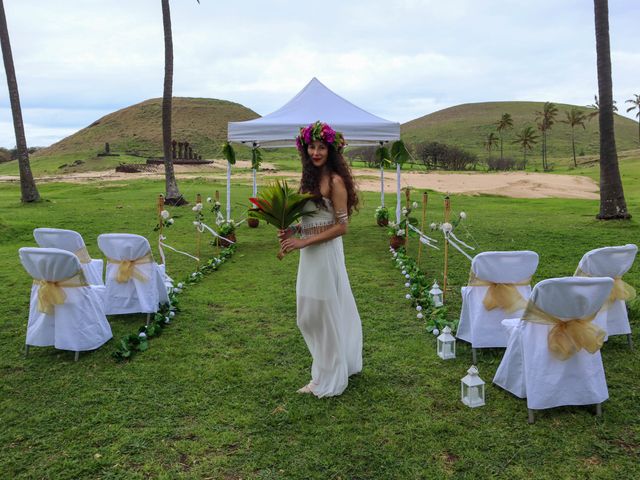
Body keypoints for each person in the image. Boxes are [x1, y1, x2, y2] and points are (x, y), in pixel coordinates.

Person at [279, 121, 363, 398]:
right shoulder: (308, 181)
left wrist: (304, 241)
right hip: (309, 254)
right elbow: (308, 221)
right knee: (306, 315)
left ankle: (327, 376)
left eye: (321, 147)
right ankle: (329, 365)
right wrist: (290, 231)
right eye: (311, 147)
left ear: (331, 151)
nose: (316, 152)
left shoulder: (336, 182)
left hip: (326, 254)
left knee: (323, 314)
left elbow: (341, 227)